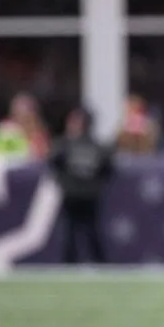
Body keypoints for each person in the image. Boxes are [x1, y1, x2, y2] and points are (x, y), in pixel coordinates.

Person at [48, 107, 113, 264]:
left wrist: (95, 185)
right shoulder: (64, 144)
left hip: (89, 196)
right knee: (70, 233)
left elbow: (108, 169)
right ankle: (71, 263)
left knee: (92, 232)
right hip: (72, 195)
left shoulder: (97, 147)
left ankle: (99, 263)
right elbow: (53, 164)